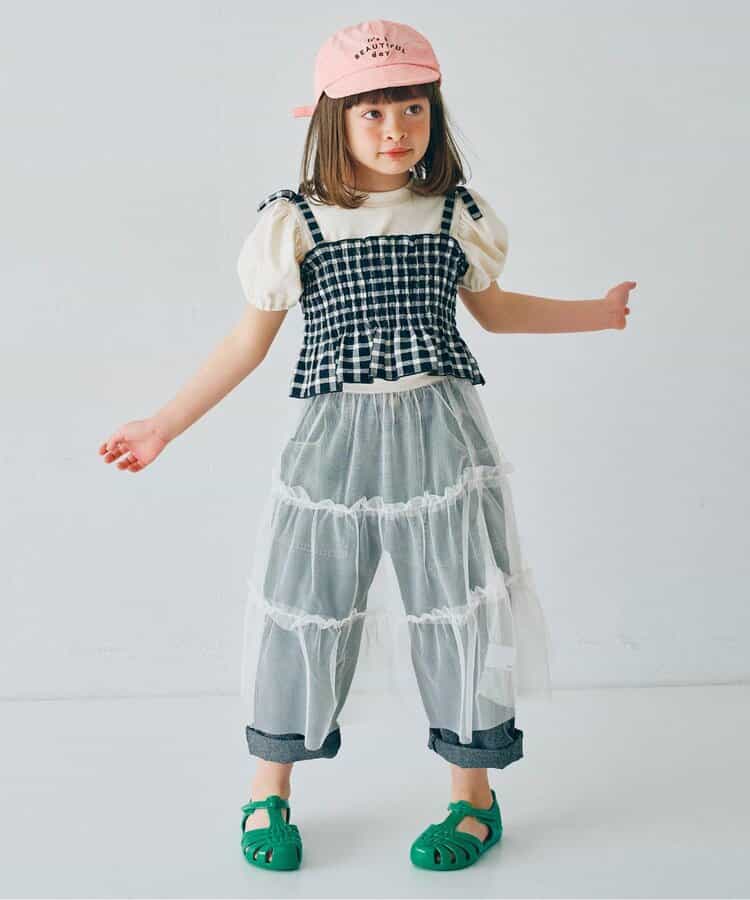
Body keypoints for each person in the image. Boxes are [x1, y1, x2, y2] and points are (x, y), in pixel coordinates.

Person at [98, 18, 635, 873]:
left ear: (435, 113)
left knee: (459, 605)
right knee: (303, 602)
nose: (396, 130)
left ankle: (474, 800)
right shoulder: (295, 222)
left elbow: (496, 312)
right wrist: (163, 423)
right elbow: (246, 343)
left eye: (413, 108)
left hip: (439, 436)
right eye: (373, 112)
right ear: (333, 119)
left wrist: (595, 314)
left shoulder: (454, 213)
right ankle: (268, 791)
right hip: (334, 437)